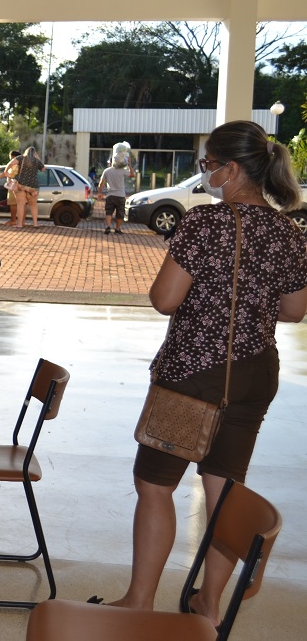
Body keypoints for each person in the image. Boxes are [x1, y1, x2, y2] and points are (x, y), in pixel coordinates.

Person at [105, 121, 307, 626]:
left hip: (192, 374)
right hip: (255, 373)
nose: (205, 175)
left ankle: (138, 602)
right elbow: (294, 311)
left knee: (155, 486)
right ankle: (210, 605)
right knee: (225, 491)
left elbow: (164, 298)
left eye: (207, 165)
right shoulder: (290, 230)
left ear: (231, 168)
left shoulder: (205, 223)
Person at [98, 157, 135, 234]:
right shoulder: (122, 171)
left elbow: (101, 183)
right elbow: (132, 175)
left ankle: (108, 227)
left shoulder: (107, 171)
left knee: (109, 211)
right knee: (120, 213)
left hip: (110, 195)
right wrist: (129, 164)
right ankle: (117, 229)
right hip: (120, 195)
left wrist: (100, 193)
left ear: (111, 163)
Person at [11, 146, 45, 228]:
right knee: (33, 205)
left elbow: (12, 163)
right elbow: (43, 169)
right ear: (34, 153)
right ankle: (35, 224)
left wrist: (6, 172)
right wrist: (38, 158)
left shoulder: (21, 158)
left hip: (21, 185)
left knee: (20, 204)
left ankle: (19, 224)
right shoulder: (36, 161)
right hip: (33, 185)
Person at [2, 150, 22, 225]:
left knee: (13, 203)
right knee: (21, 204)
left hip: (14, 185)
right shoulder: (22, 163)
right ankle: (21, 221)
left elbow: (10, 175)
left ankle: (13, 220)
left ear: (13, 157)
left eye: (11, 157)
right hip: (21, 185)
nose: (10, 159)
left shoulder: (15, 164)